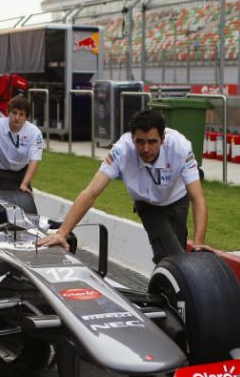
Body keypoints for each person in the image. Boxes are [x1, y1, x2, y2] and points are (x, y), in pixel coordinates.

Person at [37, 109, 209, 264]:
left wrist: (198, 245)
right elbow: (91, 192)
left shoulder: (180, 147)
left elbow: (198, 199)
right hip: (147, 205)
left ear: (163, 139)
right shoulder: (121, 150)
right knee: (174, 258)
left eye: (152, 142)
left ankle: (162, 291)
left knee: (176, 260)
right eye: (139, 142)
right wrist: (63, 232)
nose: (146, 148)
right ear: (132, 138)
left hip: (178, 199)